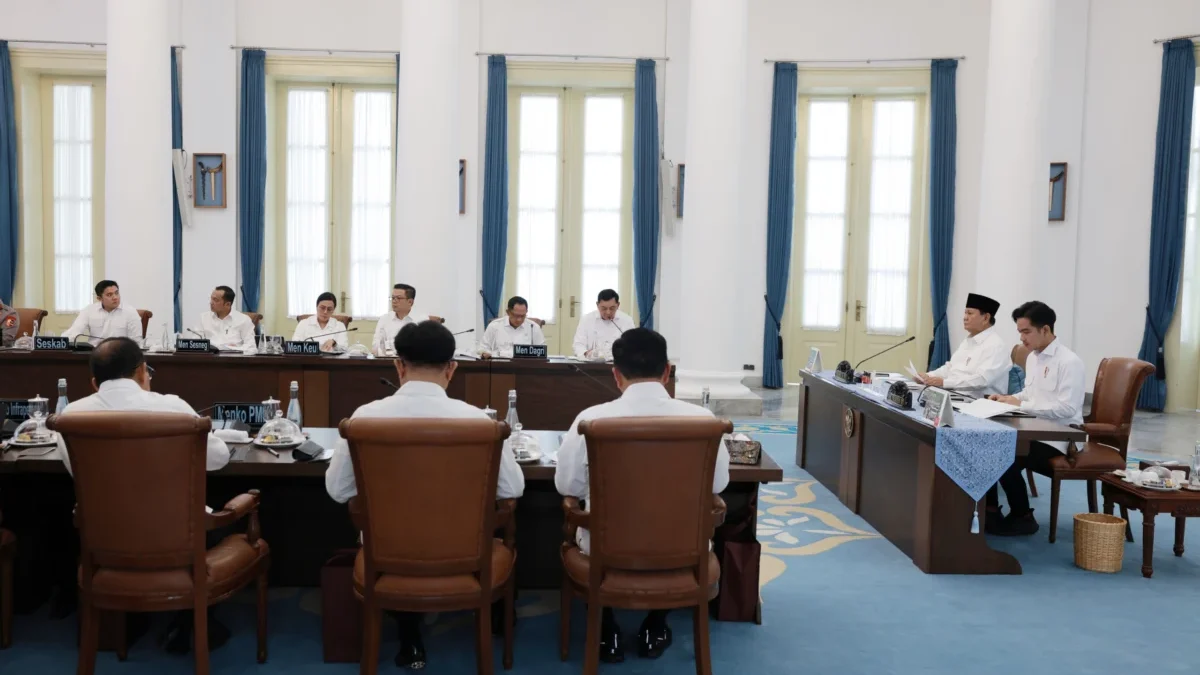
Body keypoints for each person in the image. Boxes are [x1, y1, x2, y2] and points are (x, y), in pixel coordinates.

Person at [325, 320, 524, 670]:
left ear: (398, 365)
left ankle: (408, 634)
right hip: (465, 552)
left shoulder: (364, 419)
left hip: (387, 553)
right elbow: (513, 489)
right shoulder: (480, 422)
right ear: (452, 368)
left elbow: (338, 490)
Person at [554, 328, 729, 663]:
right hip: (683, 548)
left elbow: (568, 489)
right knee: (677, 532)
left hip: (604, 550)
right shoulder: (704, 421)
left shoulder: (590, 420)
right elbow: (718, 485)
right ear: (667, 372)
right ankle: (657, 624)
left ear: (616, 375)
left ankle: (606, 628)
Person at [54, 337, 233, 653]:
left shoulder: (70, 417)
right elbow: (218, 459)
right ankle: (190, 620)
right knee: (223, 517)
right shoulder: (174, 408)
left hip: (105, 543)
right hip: (174, 539)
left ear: (94, 383)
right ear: (141, 372)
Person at [983, 301, 1085, 536]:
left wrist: (1023, 405)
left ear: (1046, 330)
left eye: (1026, 332)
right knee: (987, 447)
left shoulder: (1069, 362)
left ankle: (1022, 516)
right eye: (1020, 332)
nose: (1022, 338)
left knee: (1004, 456)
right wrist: (1008, 398)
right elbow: (1029, 394)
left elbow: (1067, 408)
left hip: (1060, 438)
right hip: (1033, 429)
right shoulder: (1033, 358)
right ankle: (989, 512)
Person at [918, 293, 1011, 397]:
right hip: (955, 396)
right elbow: (950, 368)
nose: (965, 318)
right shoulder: (967, 341)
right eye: (965, 313)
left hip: (980, 404)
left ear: (986, 318)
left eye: (970, 313)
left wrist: (944, 383)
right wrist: (928, 376)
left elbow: (982, 380)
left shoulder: (996, 346)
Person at [62, 280, 144, 347]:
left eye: (116, 293)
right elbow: (74, 332)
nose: (115, 297)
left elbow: (136, 342)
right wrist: (59, 343)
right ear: (99, 298)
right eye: (109, 295)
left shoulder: (130, 312)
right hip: (94, 354)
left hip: (119, 355)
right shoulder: (89, 310)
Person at [572, 289, 635, 358]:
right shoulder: (586, 320)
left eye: (612, 308)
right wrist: (586, 353)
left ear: (618, 305)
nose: (608, 312)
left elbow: (632, 345)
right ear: (597, 305)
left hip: (618, 363)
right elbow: (578, 344)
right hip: (592, 364)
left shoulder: (627, 320)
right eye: (604, 308)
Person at [372, 284, 428, 356]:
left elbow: (422, 347)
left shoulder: (421, 320)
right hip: (387, 362)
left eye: (398, 298)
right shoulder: (384, 319)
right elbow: (376, 347)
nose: (394, 301)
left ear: (410, 302)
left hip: (412, 364)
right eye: (393, 298)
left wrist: (389, 345)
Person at [480, 296, 545, 358]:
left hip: (524, 366)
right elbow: (483, 348)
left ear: (526, 312)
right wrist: (486, 353)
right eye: (516, 315)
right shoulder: (494, 326)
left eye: (522, 316)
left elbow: (542, 352)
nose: (519, 320)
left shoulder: (534, 328)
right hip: (499, 365)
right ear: (508, 312)